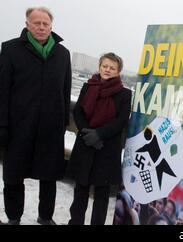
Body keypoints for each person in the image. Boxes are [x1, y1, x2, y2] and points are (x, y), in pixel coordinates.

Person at [0, 7, 71, 225]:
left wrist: (63, 123)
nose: (41, 27)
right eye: (36, 23)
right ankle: (13, 217)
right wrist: (2, 125)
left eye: (45, 24)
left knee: (49, 177)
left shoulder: (62, 54)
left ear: (51, 26)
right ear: (27, 24)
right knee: (13, 176)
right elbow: (2, 90)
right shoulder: (11, 49)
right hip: (18, 127)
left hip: (51, 128)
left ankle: (45, 217)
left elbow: (66, 90)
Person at [66, 52, 131, 225]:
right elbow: (78, 111)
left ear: (118, 71)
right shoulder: (88, 86)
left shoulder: (124, 94)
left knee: (101, 195)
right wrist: (87, 133)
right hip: (86, 144)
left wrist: (99, 134)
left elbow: (121, 120)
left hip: (106, 148)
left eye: (112, 68)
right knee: (80, 189)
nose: (107, 70)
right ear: (100, 66)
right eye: (105, 66)